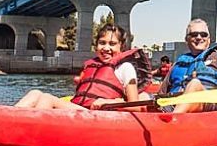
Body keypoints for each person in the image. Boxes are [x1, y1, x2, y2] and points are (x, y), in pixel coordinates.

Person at [14, 23, 152, 111]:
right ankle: (7, 124)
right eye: (102, 43)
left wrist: (106, 102)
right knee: (35, 93)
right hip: (79, 110)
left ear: (121, 47)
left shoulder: (125, 68)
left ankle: (32, 136)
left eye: (112, 43)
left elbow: (135, 106)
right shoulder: (91, 65)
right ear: (96, 45)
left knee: (47, 99)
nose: (106, 48)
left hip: (96, 115)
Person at [158, 18, 217, 114]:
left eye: (204, 35)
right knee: (143, 96)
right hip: (173, 104)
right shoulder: (177, 64)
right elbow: (161, 94)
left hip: (208, 103)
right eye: (194, 34)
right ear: (186, 40)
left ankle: (173, 120)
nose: (199, 37)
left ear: (209, 39)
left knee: (194, 84)